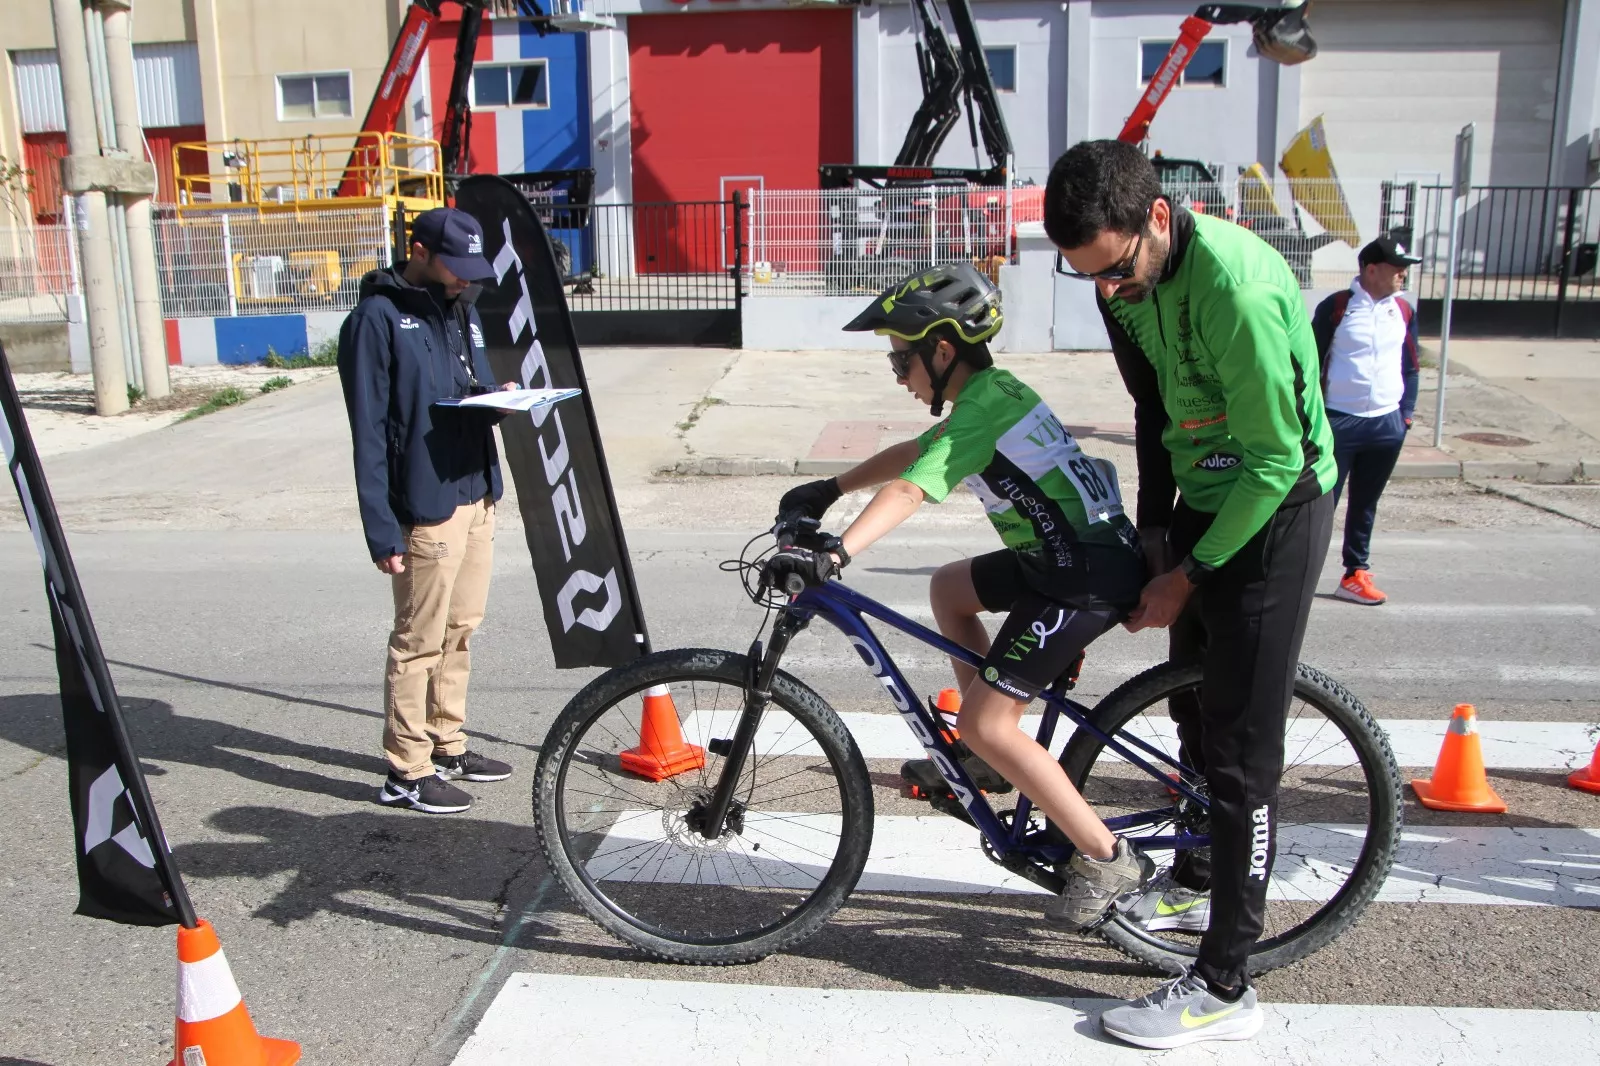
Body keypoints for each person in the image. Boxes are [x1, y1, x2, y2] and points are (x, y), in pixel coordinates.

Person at [1044, 139, 1336, 1049]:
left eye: (1117, 270)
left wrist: (1187, 576)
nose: (1109, 291)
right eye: (1088, 276)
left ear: (1159, 218)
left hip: (1276, 509)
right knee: (1192, 717)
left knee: (1242, 757)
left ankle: (1225, 985)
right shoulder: (1123, 281)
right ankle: (1202, 875)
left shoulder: (1234, 292)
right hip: (1204, 502)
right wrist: (1153, 535)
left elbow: (1277, 460)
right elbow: (1153, 412)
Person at [770, 263, 1154, 930]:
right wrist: (828, 489)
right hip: (1060, 559)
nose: (900, 376)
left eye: (902, 360)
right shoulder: (989, 395)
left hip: (1084, 575)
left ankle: (1107, 859)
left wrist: (838, 552)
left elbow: (912, 488)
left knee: (985, 720)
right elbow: (915, 453)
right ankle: (988, 758)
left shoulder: (981, 412)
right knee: (950, 588)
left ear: (942, 352)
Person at [337, 206, 516, 815]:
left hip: (476, 492)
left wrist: (500, 401)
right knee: (419, 641)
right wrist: (381, 527)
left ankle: (447, 742)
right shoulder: (376, 319)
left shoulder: (461, 310)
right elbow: (368, 430)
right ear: (418, 251)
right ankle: (406, 770)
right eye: (455, 266)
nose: (466, 278)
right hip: (425, 503)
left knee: (461, 630)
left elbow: (470, 391)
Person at [1311, 236, 1421, 606]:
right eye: (1396, 267)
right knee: (1320, 505)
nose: (1403, 274)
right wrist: (1313, 418)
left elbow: (1412, 366)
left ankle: (1355, 574)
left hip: (1386, 424)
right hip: (1339, 423)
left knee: (1365, 503)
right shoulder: (1338, 307)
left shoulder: (1402, 310)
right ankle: (1299, 574)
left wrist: (1405, 415)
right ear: (1371, 270)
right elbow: (1309, 363)